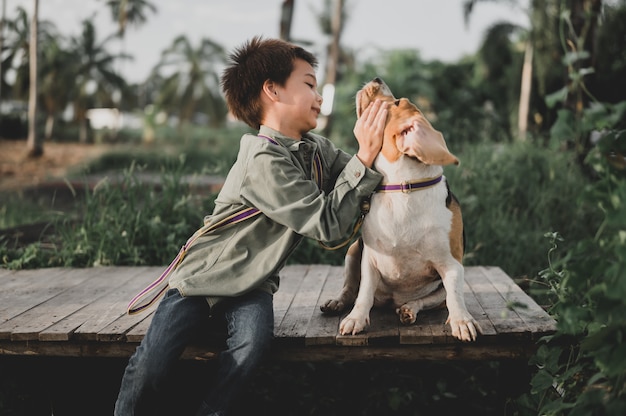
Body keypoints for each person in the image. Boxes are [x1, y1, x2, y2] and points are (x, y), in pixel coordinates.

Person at [114, 36, 388, 416]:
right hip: (201, 280)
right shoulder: (260, 157)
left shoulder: (317, 150)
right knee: (152, 365)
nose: (319, 95)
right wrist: (364, 156)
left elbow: (366, 180)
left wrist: (383, 149)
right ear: (273, 90)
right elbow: (329, 223)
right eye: (308, 84)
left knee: (251, 349)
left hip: (253, 285)